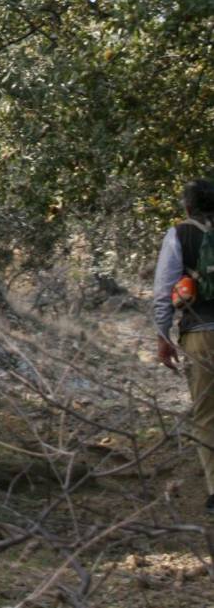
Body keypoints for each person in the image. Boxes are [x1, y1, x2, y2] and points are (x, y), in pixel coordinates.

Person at [154, 179, 214, 511]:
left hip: (200, 333)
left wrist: (163, 338)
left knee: (207, 415)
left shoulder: (179, 234)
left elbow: (164, 292)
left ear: (188, 207)